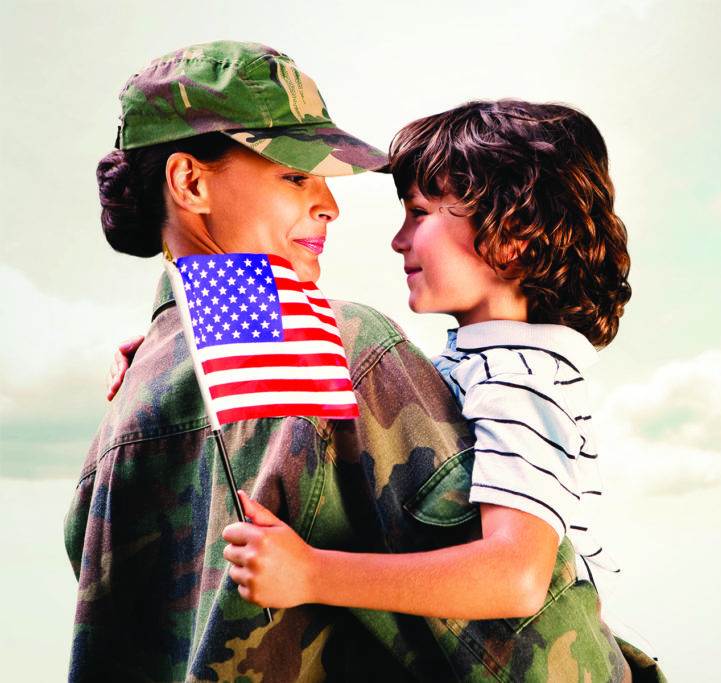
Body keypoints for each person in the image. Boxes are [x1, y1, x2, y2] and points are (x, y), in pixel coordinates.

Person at [73, 42, 664, 681]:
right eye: (295, 174)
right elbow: (534, 632)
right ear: (191, 182)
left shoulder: (127, 414)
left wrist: (168, 346)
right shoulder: (341, 348)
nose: (333, 205)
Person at [213, 100, 666, 681]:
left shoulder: (523, 379)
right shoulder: (482, 362)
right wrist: (166, 349)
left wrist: (312, 573)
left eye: (420, 213)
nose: (398, 241)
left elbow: (517, 576)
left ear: (514, 236)